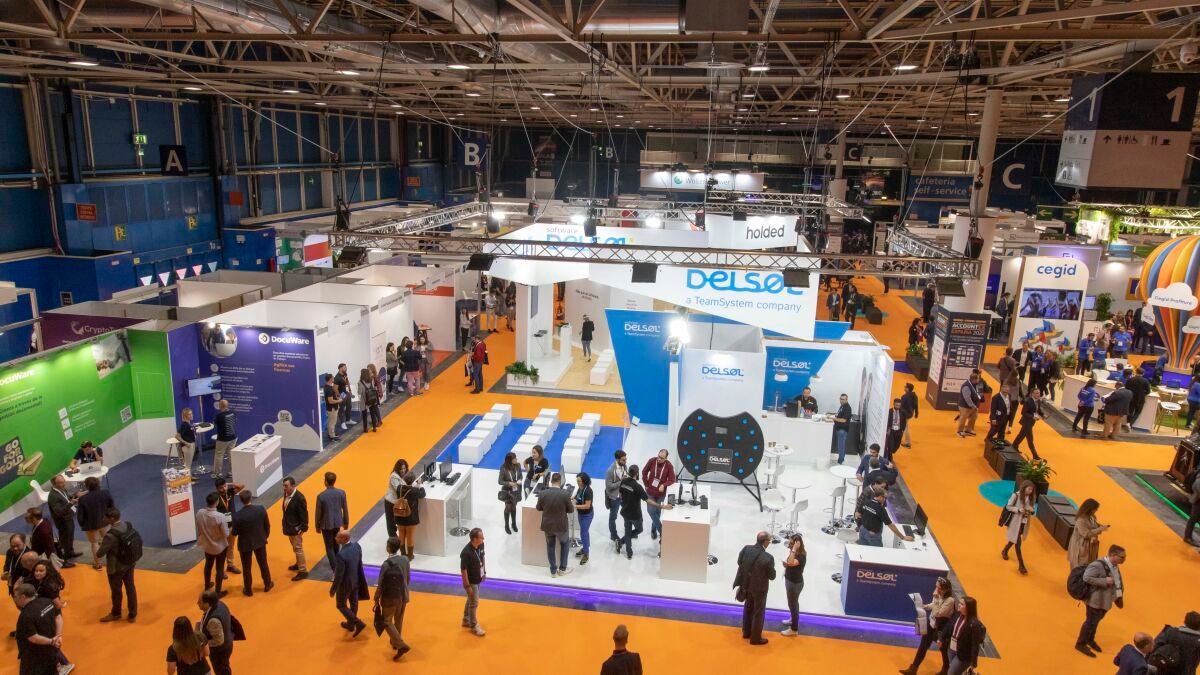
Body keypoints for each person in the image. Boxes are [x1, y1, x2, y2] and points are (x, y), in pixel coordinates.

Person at [1075, 544, 1127, 657]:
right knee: (1090, 622)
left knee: (1095, 622)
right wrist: (1104, 581)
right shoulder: (1098, 565)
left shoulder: (1114, 566)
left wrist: (1119, 595)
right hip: (1096, 601)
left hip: (1105, 601)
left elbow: (1118, 581)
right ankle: (1080, 643)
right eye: (1122, 557)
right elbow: (1086, 577)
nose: (1124, 559)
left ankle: (1090, 639)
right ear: (1113, 555)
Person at [899, 576, 956, 675]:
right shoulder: (938, 595)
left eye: (939, 588)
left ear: (946, 589)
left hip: (941, 629)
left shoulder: (950, 600)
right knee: (923, 647)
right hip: (931, 625)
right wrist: (924, 606)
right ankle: (913, 669)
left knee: (943, 650)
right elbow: (933, 605)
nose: (936, 589)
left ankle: (946, 669)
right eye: (936, 586)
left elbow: (939, 613)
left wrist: (937, 598)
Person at [617, 465, 672, 559]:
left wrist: (624, 502)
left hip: (625, 512)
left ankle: (628, 552)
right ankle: (622, 542)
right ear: (637, 473)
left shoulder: (623, 481)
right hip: (635, 515)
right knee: (639, 530)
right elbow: (648, 500)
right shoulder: (637, 487)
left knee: (628, 531)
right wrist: (662, 506)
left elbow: (620, 493)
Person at [733, 531, 776, 645]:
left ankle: (746, 632)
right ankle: (755, 638)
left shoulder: (746, 549)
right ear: (765, 542)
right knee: (758, 612)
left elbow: (739, 562)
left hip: (746, 585)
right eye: (769, 541)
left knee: (748, 608)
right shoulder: (768, 558)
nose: (769, 543)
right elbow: (772, 576)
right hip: (760, 589)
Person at [96, 507, 138, 622]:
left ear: (112, 519)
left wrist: (102, 543)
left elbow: (99, 553)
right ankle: (133, 614)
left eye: (106, 517)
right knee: (130, 587)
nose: (104, 519)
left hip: (116, 567)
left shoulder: (110, 536)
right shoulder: (128, 525)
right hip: (130, 562)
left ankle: (116, 613)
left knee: (116, 591)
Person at [12, 583, 61, 675]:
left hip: (34, 658)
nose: (15, 599)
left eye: (15, 597)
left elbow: (33, 638)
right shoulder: (47, 602)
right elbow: (58, 618)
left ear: (23, 597)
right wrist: (58, 637)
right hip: (51, 652)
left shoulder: (25, 615)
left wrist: (51, 641)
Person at [375, 537, 412, 661]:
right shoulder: (405, 559)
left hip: (390, 597)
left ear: (388, 548)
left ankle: (401, 645)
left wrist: (376, 598)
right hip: (403, 595)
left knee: (386, 621)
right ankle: (395, 642)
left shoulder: (386, 564)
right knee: (399, 619)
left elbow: (380, 584)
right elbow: (408, 578)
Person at [230, 490, 272, 597]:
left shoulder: (237, 516)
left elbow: (234, 532)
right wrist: (264, 537)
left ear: (240, 500)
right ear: (251, 498)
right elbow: (267, 525)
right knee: (263, 564)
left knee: (246, 568)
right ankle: (267, 584)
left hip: (245, 544)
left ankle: (248, 590)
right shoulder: (260, 509)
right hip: (260, 541)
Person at [536, 473, 575, 577]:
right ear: (560, 482)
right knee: (565, 544)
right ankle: (562, 569)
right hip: (561, 526)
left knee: (550, 546)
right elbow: (571, 510)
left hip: (547, 525)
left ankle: (553, 571)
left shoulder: (543, 493)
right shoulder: (565, 494)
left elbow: (538, 508)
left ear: (551, 481)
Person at [330, 530, 368, 636]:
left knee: (341, 605)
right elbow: (359, 562)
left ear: (343, 539)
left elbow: (339, 575)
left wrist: (333, 589)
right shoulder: (357, 546)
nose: (335, 538)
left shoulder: (341, 555)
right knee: (354, 603)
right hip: (356, 579)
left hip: (345, 584)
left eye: (337, 537)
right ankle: (351, 624)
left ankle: (357, 622)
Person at [195, 492, 230, 597]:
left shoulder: (200, 512)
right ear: (217, 502)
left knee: (208, 565)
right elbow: (226, 534)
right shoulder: (220, 516)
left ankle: (207, 586)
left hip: (207, 546)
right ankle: (218, 592)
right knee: (220, 568)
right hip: (220, 547)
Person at [75, 475, 113, 570]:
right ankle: (112, 561)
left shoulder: (83, 499)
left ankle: (98, 564)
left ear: (87, 486)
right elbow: (111, 506)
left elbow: (80, 516)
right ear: (98, 484)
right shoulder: (106, 493)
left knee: (94, 543)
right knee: (108, 541)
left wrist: (83, 524)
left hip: (91, 525)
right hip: (105, 522)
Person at [1001, 481, 1036, 575]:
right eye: (1029, 489)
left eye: (1032, 490)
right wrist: (1018, 510)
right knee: (1018, 543)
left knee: (1014, 539)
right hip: (1015, 522)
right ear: (1024, 488)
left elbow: (1031, 508)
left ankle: (1005, 550)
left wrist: (1031, 510)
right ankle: (1021, 565)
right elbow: (1008, 506)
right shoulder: (1016, 495)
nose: (1031, 491)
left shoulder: (1031, 497)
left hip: (1023, 523)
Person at [315, 471, 349, 565]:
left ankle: (335, 568)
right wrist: (346, 522)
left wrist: (317, 526)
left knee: (329, 547)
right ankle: (339, 564)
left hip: (326, 525)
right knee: (336, 545)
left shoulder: (321, 496)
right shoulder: (341, 493)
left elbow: (318, 513)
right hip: (338, 523)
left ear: (325, 482)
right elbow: (345, 509)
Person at [641, 449, 676, 540]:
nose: (659, 459)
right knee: (651, 511)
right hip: (650, 492)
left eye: (662, 458)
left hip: (661, 494)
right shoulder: (652, 461)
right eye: (658, 456)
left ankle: (653, 530)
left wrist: (664, 485)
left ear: (666, 458)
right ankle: (662, 531)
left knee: (657, 512)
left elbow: (672, 479)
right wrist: (646, 484)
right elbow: (644, 472)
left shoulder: (669, 466)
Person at [197, 590, 233, 675]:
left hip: (219, 652)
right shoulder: (220, 604)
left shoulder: (213, 620)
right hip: (226, 644)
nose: (197, 603)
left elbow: (218, 641)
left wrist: (202, 644)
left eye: (200, 602)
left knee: (221, 671)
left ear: (207, 604)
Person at [213, 477, 243, 576]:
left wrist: (228, 484)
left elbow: (241, 486)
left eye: (225, 486)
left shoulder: (230, 492)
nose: (224, 489)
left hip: (232, 525)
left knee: (230, 546)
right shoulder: (215, 498)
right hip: (221, 527)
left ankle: (230, 565)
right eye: (221, 488)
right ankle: (220, 570)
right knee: (221, 549)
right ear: (217, 488)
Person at [947, 596, 986, 675]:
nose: (959, 605)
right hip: (951, 649)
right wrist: (941, 638)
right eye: (959, 603)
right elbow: (949, 625)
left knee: (951, 673)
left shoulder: (974, 624)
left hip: (964, 655)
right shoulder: (957, 614)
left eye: (962, 604)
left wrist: (974, 662)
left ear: (969, 608)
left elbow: (975, 644)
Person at [281, 476, 309, 581]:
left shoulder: (299, 498)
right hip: (289, 527)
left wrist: (303, 528)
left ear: (293, 485)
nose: (284, 488)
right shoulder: (286, 494)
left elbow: (304, 515)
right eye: (283, 486)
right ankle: (298, 563)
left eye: (286, 486)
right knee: (295, 548)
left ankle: (303, 571)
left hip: (296, 529)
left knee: (298, 548)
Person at [459, 528, 486, 637]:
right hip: (471, 581)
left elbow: (482, 558)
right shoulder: (466, 553)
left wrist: (484, 572)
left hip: (478, 578)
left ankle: (466, 619)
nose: (483, 538)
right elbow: (463, 570)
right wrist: (467, 586)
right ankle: (474, 626)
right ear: (475, 539)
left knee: (471, 599)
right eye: (481, 537)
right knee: (474, 602)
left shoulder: (481, 545)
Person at [1068, 498, 1109, 569]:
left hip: (1090, 547)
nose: (1096, 510)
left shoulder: (1092, 516)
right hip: (1080, 548)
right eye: (1095, 509)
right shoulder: (1081, 520)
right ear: (1090, 509)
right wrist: (1100, 529)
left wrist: (1100, 526)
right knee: (1078, 568)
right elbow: (1086, 534)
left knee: (1088, 567)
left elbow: (1093, 525)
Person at [46, 476, 79, 564]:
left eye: (64, 481)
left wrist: (76, 495)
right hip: (62, 521)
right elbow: (59, 512)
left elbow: (67, 498)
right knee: (64, 539)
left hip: (68, 517)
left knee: (70, 536)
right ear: (54, 484)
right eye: (61, 483)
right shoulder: (53, 496)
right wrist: (71, 503)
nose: (64, 484)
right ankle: (64, 559)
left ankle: (70, 552)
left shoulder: (62, 489)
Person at [779, 534, 806, 637]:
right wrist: (786, 564)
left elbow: (790, 562)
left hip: (794, 584)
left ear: (797, 544)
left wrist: (793, 549)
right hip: (790, 581)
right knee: (793, 604)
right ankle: (793, 619)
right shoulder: (795, 552)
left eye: (791, 543)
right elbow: (790, 563)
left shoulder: (801, 555)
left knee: (793, 605)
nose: (789, 545)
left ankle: (794, 629)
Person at [394, 471, 425, 560]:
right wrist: (420, 485)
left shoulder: (399, 488)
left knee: (401, 535)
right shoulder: (415, 491)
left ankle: (403, 554)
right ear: (413, 480)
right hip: (411, 518)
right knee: (410, 537)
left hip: (399, 515)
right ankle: (410, 556)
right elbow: (423, 494)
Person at [1011, 386, 1045, 461]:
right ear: (1032, 394)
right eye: (1037, 393)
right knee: (1030, 439)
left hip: (1031, 423)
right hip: (1026, 423)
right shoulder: (1028, 401)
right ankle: (1035, 455)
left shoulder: (1038, 400)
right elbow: (1023, 412)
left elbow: (1038, 409)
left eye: (1039, 393)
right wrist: (1033, 417)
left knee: (1021, 435)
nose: (1039, 394)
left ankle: (1014, 446)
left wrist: (1042, 415)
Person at [495, 452, 523, 535]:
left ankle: (513, 524)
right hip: (507, 491)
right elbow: (500, 481)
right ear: (510, 460)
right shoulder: (503, 468)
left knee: (514, 507)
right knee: (508, 508)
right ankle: (506, 525)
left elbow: (521, 476)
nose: (516, 459)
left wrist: (519, 480)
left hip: (516, 490)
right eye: (514, 458)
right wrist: (509, 483)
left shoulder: (518, 465)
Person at [605, 450, 628, 543]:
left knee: (627, 513)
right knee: (613, 517)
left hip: (624, 496)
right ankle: (613, 535)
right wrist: (621, 481)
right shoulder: (610, 470)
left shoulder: (624, 466)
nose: (625, 461)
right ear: (617, 459)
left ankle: (628, 532)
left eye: (626, 459)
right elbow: (609, 486)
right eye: (623, 460)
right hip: (615, 498)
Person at [383, 459, 408, 540]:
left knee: (399, 520)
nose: (403, 470)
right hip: (390, 502)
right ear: (397, 468)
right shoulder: (393, 476)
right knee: (391, 522)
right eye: (401, 469)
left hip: (397, 501)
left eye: (404, 468)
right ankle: (392, 539)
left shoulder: (403, 475)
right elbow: (399, 489)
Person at [210, 400, 236, 479]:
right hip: (233, 437)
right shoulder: (233, 412)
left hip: (223, 439)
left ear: (220, 406)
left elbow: (214, 423)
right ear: (227, 405)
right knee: (231, 455)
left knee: (219, 455)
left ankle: (218, 474)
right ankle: (232, 472)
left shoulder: (219, 416)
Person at [573, 473, 594, 565]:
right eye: (577, 480)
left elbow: (587, 505)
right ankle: (586, 547)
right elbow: (577, 496)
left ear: (584, 481)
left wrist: (575, 506)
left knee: (583, 533)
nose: (577, 482)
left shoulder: (588, 491)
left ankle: (586, 554)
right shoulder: (580, 488)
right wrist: (572, 498)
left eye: (579, 481)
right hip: (581, 514)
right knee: (585, 532)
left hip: (587, 515)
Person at [956, 372, 983, 438]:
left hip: (974, 406)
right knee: (963, 418)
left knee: (973, 417)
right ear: (974, 379)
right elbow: (967, 398)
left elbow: (978, 393)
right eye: (978, 379)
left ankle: (969, 429)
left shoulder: (975, 384)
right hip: (965, 406)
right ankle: (960, 431)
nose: (979, 380)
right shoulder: (966, 386)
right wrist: (972, 406)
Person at [356, 367, 381, 432]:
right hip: (371, 399)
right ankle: (374, 427)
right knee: (372, 413)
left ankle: (365, 429)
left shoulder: (360, 382)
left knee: (364, 415)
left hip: (364, 400)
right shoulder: (370, 380)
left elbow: (359, 392)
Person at [175, 407, 197, 474]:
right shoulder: (184, 425)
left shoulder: (188, 423)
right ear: (185, 415)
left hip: (191, 445)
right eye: (189, 414)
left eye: (191, 413)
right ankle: (188, 479)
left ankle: (189, 477)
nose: (192, 415)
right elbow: (177, 436)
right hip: (187, 446)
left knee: (188, 463)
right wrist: (186, 443)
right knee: (187, 465)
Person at [833, 393, 853, 464]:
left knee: (841, 446)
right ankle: (841, 459)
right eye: (841, 399)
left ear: (847, 400)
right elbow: (839, 415)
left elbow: (844, 420)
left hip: (843, 430)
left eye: (843, 399)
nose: (842, 400)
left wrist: (833, 418)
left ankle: (840, 461)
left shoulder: (847, 408)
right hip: (839, 428)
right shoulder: (842, 406)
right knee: (840, 446)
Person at [1184, 464, 1200, 545]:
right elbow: (1196, 485)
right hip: (1198, 500)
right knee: (1193, 519)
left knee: (1194, 519)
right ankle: (1187, 537)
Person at [333, 363, 352, 431]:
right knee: (341, 408)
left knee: (349, 406)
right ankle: (342, 423)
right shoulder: (337, 377)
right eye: (345, 367)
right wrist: (339, 397)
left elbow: (347, 381)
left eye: (346, 367)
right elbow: (335, 389)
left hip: (347, 393)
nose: (346, 368)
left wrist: (350, 390)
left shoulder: (345, 374)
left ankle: (348, 420)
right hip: (341, 394)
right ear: (340, 368)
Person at [900, 382, 919, 448]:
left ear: (908, 389)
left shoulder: (904, 397)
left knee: (905, 428)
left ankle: (908, 443)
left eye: (905, 387)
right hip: (910, 414)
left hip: (904, 414)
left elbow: (901, 406)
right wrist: (916, 414)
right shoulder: (915, 396)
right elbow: (916, 406)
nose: (904, 387)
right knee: (904, 426)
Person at [323, 375, 340, 442]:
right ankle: (332, 436)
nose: (334, 379)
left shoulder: (327, 386)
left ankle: (330, 434)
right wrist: (339, 401)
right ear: (330, 379)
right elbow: (331, 401)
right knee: (332, 422)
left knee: (330, 421)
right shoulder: (329, 389)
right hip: (332, 408)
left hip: (330, 408)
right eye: (333, 378)